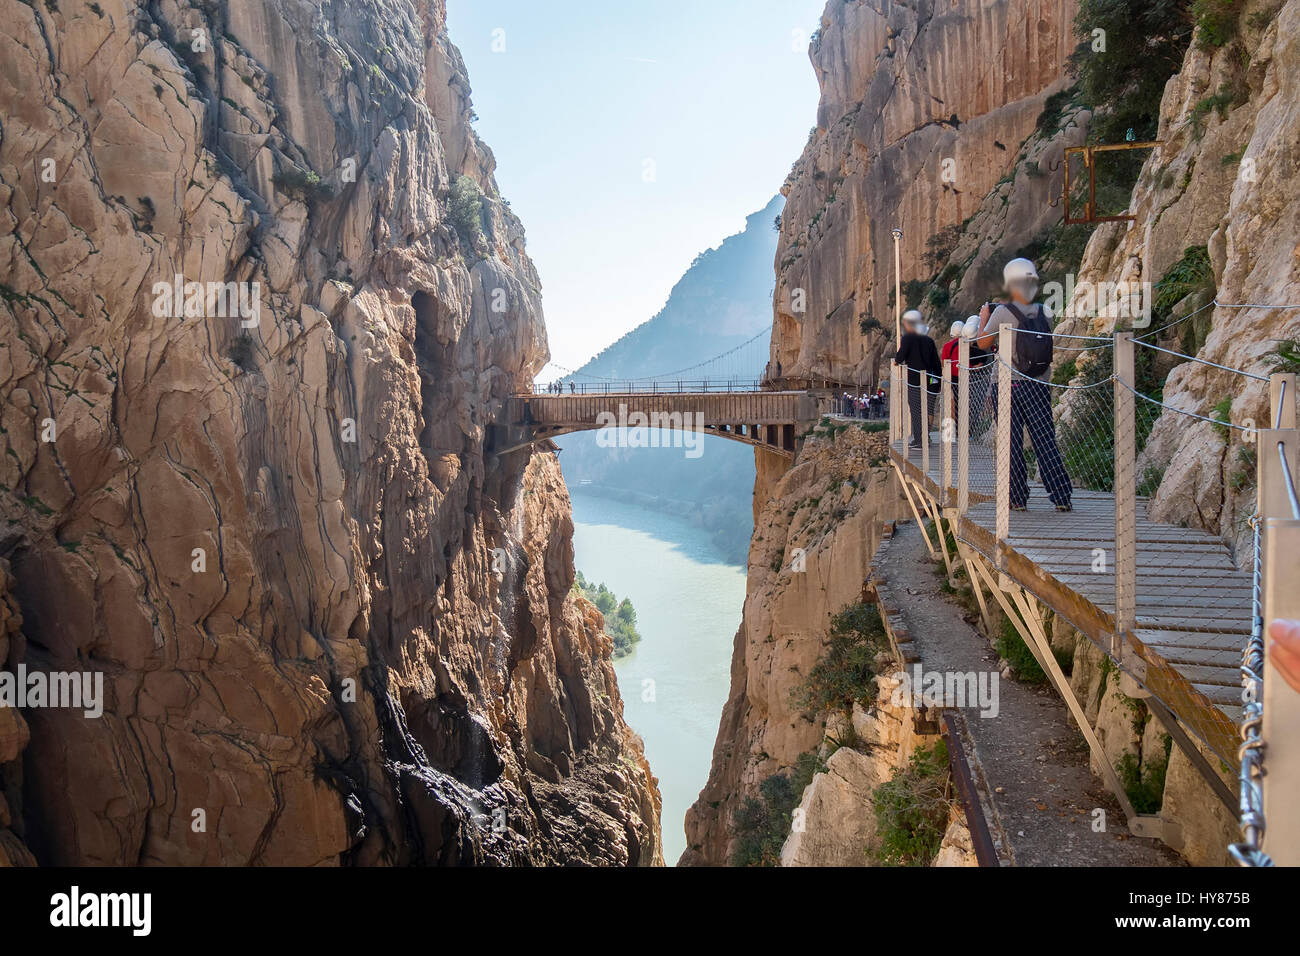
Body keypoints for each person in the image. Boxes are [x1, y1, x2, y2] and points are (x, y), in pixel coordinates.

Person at [975, 258, 1072, 512]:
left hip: (1007, 385)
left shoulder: (1002, 312)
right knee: (1045, 439)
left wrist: (986, 317)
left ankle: (1017, 498)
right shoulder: (1045, 311)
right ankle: (1061, 496)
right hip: (1037, 384)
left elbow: (983, 343)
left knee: (1011, 442)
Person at [893, 310, 941, 449]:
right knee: (929, 409)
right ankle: (926, 437)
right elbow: (936, 362)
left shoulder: (908, 338)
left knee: (916, 409)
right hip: (932, 379)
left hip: (915, 380)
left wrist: (896, 361)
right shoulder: (929, 340)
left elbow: (901, 355)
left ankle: (920, 440)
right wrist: (939, 380)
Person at [942, 319, 966, 419]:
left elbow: (944, 363)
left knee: (954, 400)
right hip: (967, 375)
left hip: (953, 377)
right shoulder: (967, 344)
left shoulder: (947, 346)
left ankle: (956, 423)